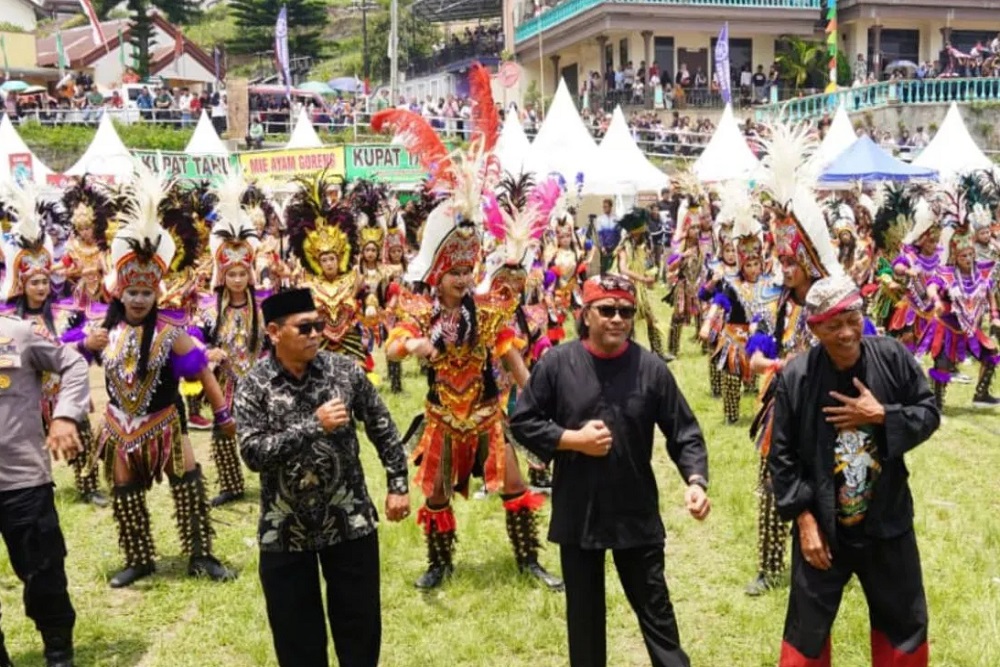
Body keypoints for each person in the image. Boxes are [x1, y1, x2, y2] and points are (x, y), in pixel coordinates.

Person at [510, 273, 710, 667]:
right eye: (607, 310)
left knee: (658, 615)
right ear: (586, 314)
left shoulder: (650, 369)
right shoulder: (558, 364)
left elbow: (684, 431)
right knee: (584, 624)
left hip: (634, 510)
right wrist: (571, 439)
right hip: (579, 510)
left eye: (625, 312)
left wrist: (696, 480)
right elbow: (523, 421)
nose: (617, 319)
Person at [769, 274, 939, 667]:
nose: (847, 333)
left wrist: (883, 415)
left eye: (853, 319)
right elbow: (782, 458)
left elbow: (928, 413)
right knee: (805, 632)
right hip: (824, 531)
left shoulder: (893, 357)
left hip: (887, 523)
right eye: (834, 324)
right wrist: (804, 521)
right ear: (814, 328)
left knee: (903, 625)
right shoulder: (796, 379)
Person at [234, 288, 409, 667]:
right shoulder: (254, 385)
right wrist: (313, 426)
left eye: (318, 325)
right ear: (275, 332)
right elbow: (252, 454)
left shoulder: (344, 371)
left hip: (348, 520)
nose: (316, 334)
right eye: (305, 328)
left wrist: (398, 484)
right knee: (297, 638)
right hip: (285, 530)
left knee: (359, 629)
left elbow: (382, 426)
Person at [0, 316, 89, 667]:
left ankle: (58, 651)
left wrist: (66, 415)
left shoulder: (17, 333)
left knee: (43, 571)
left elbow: (74, 363)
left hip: (21, 479)